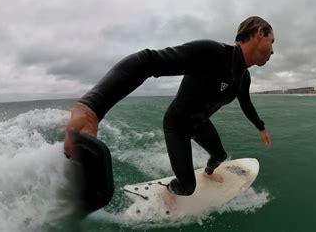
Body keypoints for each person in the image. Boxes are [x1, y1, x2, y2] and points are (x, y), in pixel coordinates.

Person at [64, 16, 274, 213]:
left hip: (200, 123)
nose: (272, 51)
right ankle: (170, 189)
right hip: (178, 125)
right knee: (188, 186)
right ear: (259, 33)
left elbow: (246, 104)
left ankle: (208, 174)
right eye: (271, 41)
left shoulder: (244, 77)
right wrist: (91, 107)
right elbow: (148, 61)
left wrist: (261, 127)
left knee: (219, 156)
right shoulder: (212, 53)